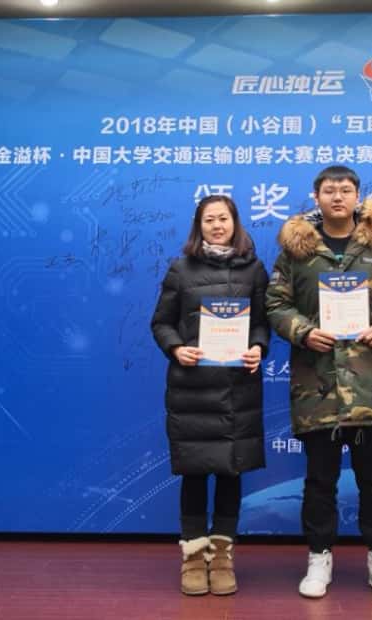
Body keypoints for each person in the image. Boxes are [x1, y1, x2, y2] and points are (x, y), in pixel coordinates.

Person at [266, 165, 372, 602]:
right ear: (316, 197)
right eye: (329, 190)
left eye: (345, 190)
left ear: (358, 196)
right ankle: (319, 557)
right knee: (320, 480)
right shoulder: (296, 250)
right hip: (317, 385)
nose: (337, 197)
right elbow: (275, 303)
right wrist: (303, 331)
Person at [151, 194, 269, 596]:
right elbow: (161, 323)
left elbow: (262, 322)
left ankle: (221, 558)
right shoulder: (180, 268)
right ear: (198, 226)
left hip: (237, 388)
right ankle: (192, 556)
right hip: (191, 387)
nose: (217, 226)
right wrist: (175, 348)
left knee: (231, 471)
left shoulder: (254, 268)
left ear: (235, 223)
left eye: (223, 219)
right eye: (208, 220)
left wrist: (258, 347)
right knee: (195, 472)